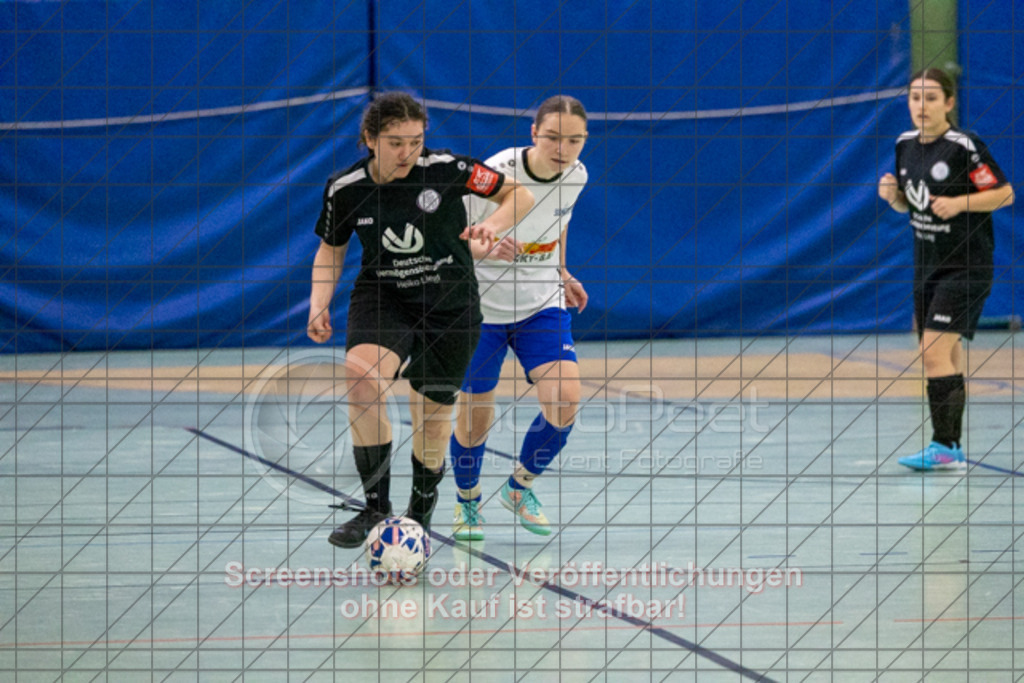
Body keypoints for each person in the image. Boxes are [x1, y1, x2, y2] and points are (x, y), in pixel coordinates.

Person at [307, 92, 534, 548]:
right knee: (361, 377)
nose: (407, 152)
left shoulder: (447, 169)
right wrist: (319, 303)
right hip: (384, 295)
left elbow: (519, 193)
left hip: (450, 305)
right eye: (395, 142)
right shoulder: (345, 188)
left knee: (432, 418)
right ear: (370, 139)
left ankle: (419, 517)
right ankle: (375, 507)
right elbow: (331, 250)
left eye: (415, 141)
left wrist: (496, 224)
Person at [448, 95, 590, 540]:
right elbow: (452, 237)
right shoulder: (497, 173)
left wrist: (562, 271)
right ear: (533, 134)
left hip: (540, 304)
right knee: (474, 419)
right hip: (481, 309)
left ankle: (519, 486)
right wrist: (483, 245)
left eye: (574, 140)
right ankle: (467, 500)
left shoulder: (578, 176)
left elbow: (558, 221)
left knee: (565, 400)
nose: (562, 148)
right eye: (552, 137)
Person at [878, 68, 1014, 471]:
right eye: (916, 97)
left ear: (949, 103)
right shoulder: (904, 144)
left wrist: (959, 204)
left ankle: (943, 445)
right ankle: (950, 446)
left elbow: (1004, 194)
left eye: (932, 98)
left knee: (932, 351)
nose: (922, 106)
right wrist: (894, 199)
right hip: (928, 266)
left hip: (966, 266)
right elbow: (912, 204)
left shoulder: (963, 146)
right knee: (946, 354)